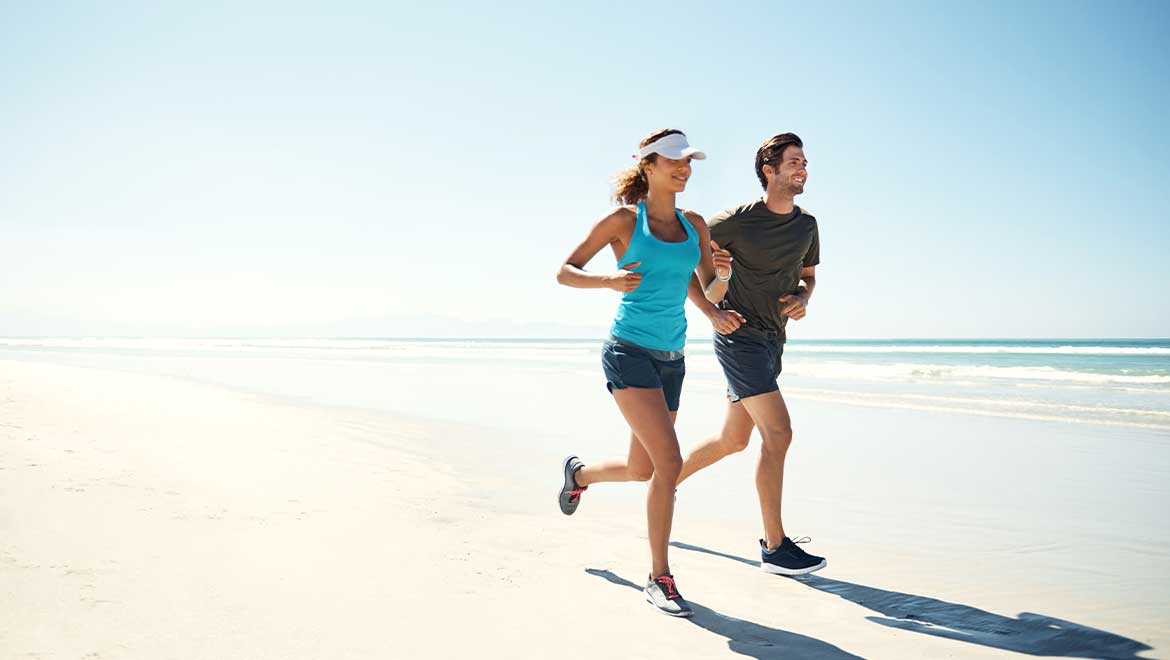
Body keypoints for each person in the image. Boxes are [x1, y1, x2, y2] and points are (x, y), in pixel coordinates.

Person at [555, 129, 733, 617]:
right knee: (669, 463)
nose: (684, 169)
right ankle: (660, 577)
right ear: (648, 165)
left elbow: (707, 289)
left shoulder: (694, 225)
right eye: (674, 160)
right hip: (628, 350)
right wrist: (607, 280)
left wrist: (722, 279)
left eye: (688, 161)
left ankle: (579, 474)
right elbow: (566, 271)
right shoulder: (622, 221)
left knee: (643, 469)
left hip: (671, 358)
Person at [678, 132, 828, 576]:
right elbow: (685, 264)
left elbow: (808, 277)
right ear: (769, 170)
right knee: (778, 433)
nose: (803, 169)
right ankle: (775, 547)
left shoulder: (807, 226)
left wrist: (803, 297)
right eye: (794, 162)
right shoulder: (735, 222)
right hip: (738, 337)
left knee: (733, 440)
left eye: (805, 162)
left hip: (773, 341)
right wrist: (710, 312)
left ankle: (663, 485)